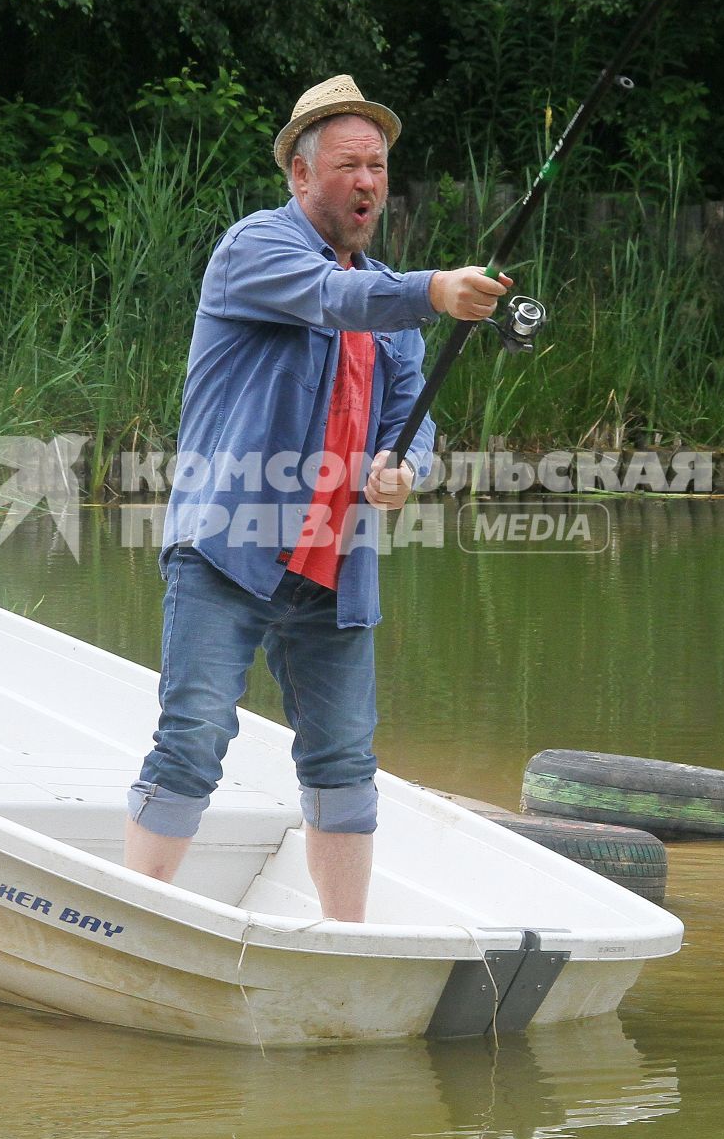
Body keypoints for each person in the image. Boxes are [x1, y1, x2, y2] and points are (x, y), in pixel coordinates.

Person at [122, 74, 510, 922]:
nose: (368, 182)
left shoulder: (393, 297)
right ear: (301, 177)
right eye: (347, 165)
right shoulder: (254, 250)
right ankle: (132, 920)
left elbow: (414, 420)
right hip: (227, 544)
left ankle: (347, 939)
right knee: (192, 741)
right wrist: (435, 289)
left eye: (377, 166)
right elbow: (336, 301)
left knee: (342, 759)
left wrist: (406, 468)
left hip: (335, 562)